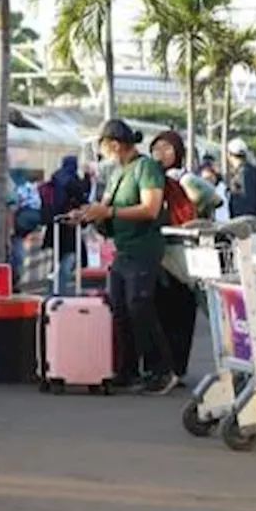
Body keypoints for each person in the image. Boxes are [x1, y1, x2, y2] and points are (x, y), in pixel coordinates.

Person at [74, 119, 178, 396]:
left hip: (143, 249)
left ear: (115, 145)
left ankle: (161, 368)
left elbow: (150, 209)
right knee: (119, 308)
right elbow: (105, 206)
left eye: (105, 148)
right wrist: (87, 214)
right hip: (123, 250)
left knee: (139, 305)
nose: (104, 155)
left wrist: (109, 214)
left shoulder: (146, 168)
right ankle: (127, 368)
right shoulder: (119, 173)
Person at [149, 130, 210, 383]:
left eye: (167, 148)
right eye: (157, 148)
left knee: (182, 310)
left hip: (184, 253)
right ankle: (163, 367)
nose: (161, 153)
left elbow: (208, 200)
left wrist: (185, 180)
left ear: (179, 152)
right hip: (156, 254)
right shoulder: (148, 177)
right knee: (159, 311)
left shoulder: (186, 179)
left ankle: (177, 367)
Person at [42, 156, 90, 296]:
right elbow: (82, 197)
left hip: (55, 224)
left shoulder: (55, 177)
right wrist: (87, 178)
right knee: (69, 256)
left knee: (57, 258)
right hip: (69, 225)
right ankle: (61, 289)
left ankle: (53, 289)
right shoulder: (72, 180)